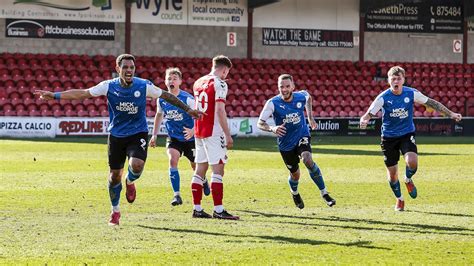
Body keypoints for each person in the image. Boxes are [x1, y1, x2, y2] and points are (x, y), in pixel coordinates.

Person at [35, 54, 204, 226]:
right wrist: (54, 95)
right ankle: (115, 211)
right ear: (118, 69)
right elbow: (83, 93)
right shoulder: (108, 86)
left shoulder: (144, 85)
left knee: (137, 165)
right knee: (114, 177)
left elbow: (166, 96)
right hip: (116, 136)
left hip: (137, 133)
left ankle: (130, 181)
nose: (129, 70)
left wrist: (188, 109)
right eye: (125, 67)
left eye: (131, 67)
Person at [360, 66, 462, 211]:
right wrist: (364, 120)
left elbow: (432, 103)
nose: (396, 81)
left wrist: (451, 114)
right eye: (393, 78)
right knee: (393, 175)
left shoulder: (411, 93)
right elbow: (368, 114)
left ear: (403, 80)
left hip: (407, 134)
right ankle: (400, 199)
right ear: (389, 80)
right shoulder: (383, 98)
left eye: (399, 78)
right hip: (388, 138)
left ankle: (408, 179)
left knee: (412, 162)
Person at [257, 74, 336, 209]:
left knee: (307, 159)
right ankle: (295, 193)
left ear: (293, 86)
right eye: (281, 86)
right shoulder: (272, 103)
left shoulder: (301, 96)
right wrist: (272, 128)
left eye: (287, 86)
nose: (285, 89)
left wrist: (310, 117)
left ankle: (324, 193)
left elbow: (309, 98)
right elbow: (260, 123)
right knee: (295, 175)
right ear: (278, 87)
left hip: (302, 135)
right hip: (286, 144)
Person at [149, 67, 210, 206]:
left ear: (180, 82)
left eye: (174, 78)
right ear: (165, 81)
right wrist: (154, 135)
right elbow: (159, 115)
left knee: (195, 167)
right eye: (169, 78)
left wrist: (193, 130)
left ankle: (204, 180)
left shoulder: (188, 99)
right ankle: (176, 195)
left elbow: (201, 117)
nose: (171, 81)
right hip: (174, 138)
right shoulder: (162, 99)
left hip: (190, 138)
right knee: (172, 161)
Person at [190, 55, 239, 220]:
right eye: (227, 72)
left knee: (199, 170)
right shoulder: (220, 83)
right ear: (224, 69)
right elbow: (219, 110)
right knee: (218, 170)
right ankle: (219, 210)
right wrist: (227, 134)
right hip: (214, 131)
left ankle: (197, 209)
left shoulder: (198, 82)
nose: (226, 75)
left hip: (199, 130)